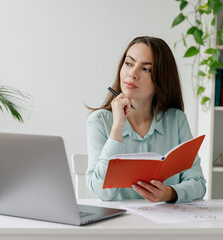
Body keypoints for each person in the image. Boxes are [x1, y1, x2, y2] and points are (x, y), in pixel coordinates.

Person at [86, 36, 206, 203]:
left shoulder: (176, 120)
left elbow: (198, 184)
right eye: (129, 63)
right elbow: (102, 192)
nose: (132, 74)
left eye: (146, 69)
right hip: (119, 226)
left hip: (166, 224)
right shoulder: (99, 121)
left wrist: (169, 193)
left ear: (161, 78)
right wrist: (117, 128)